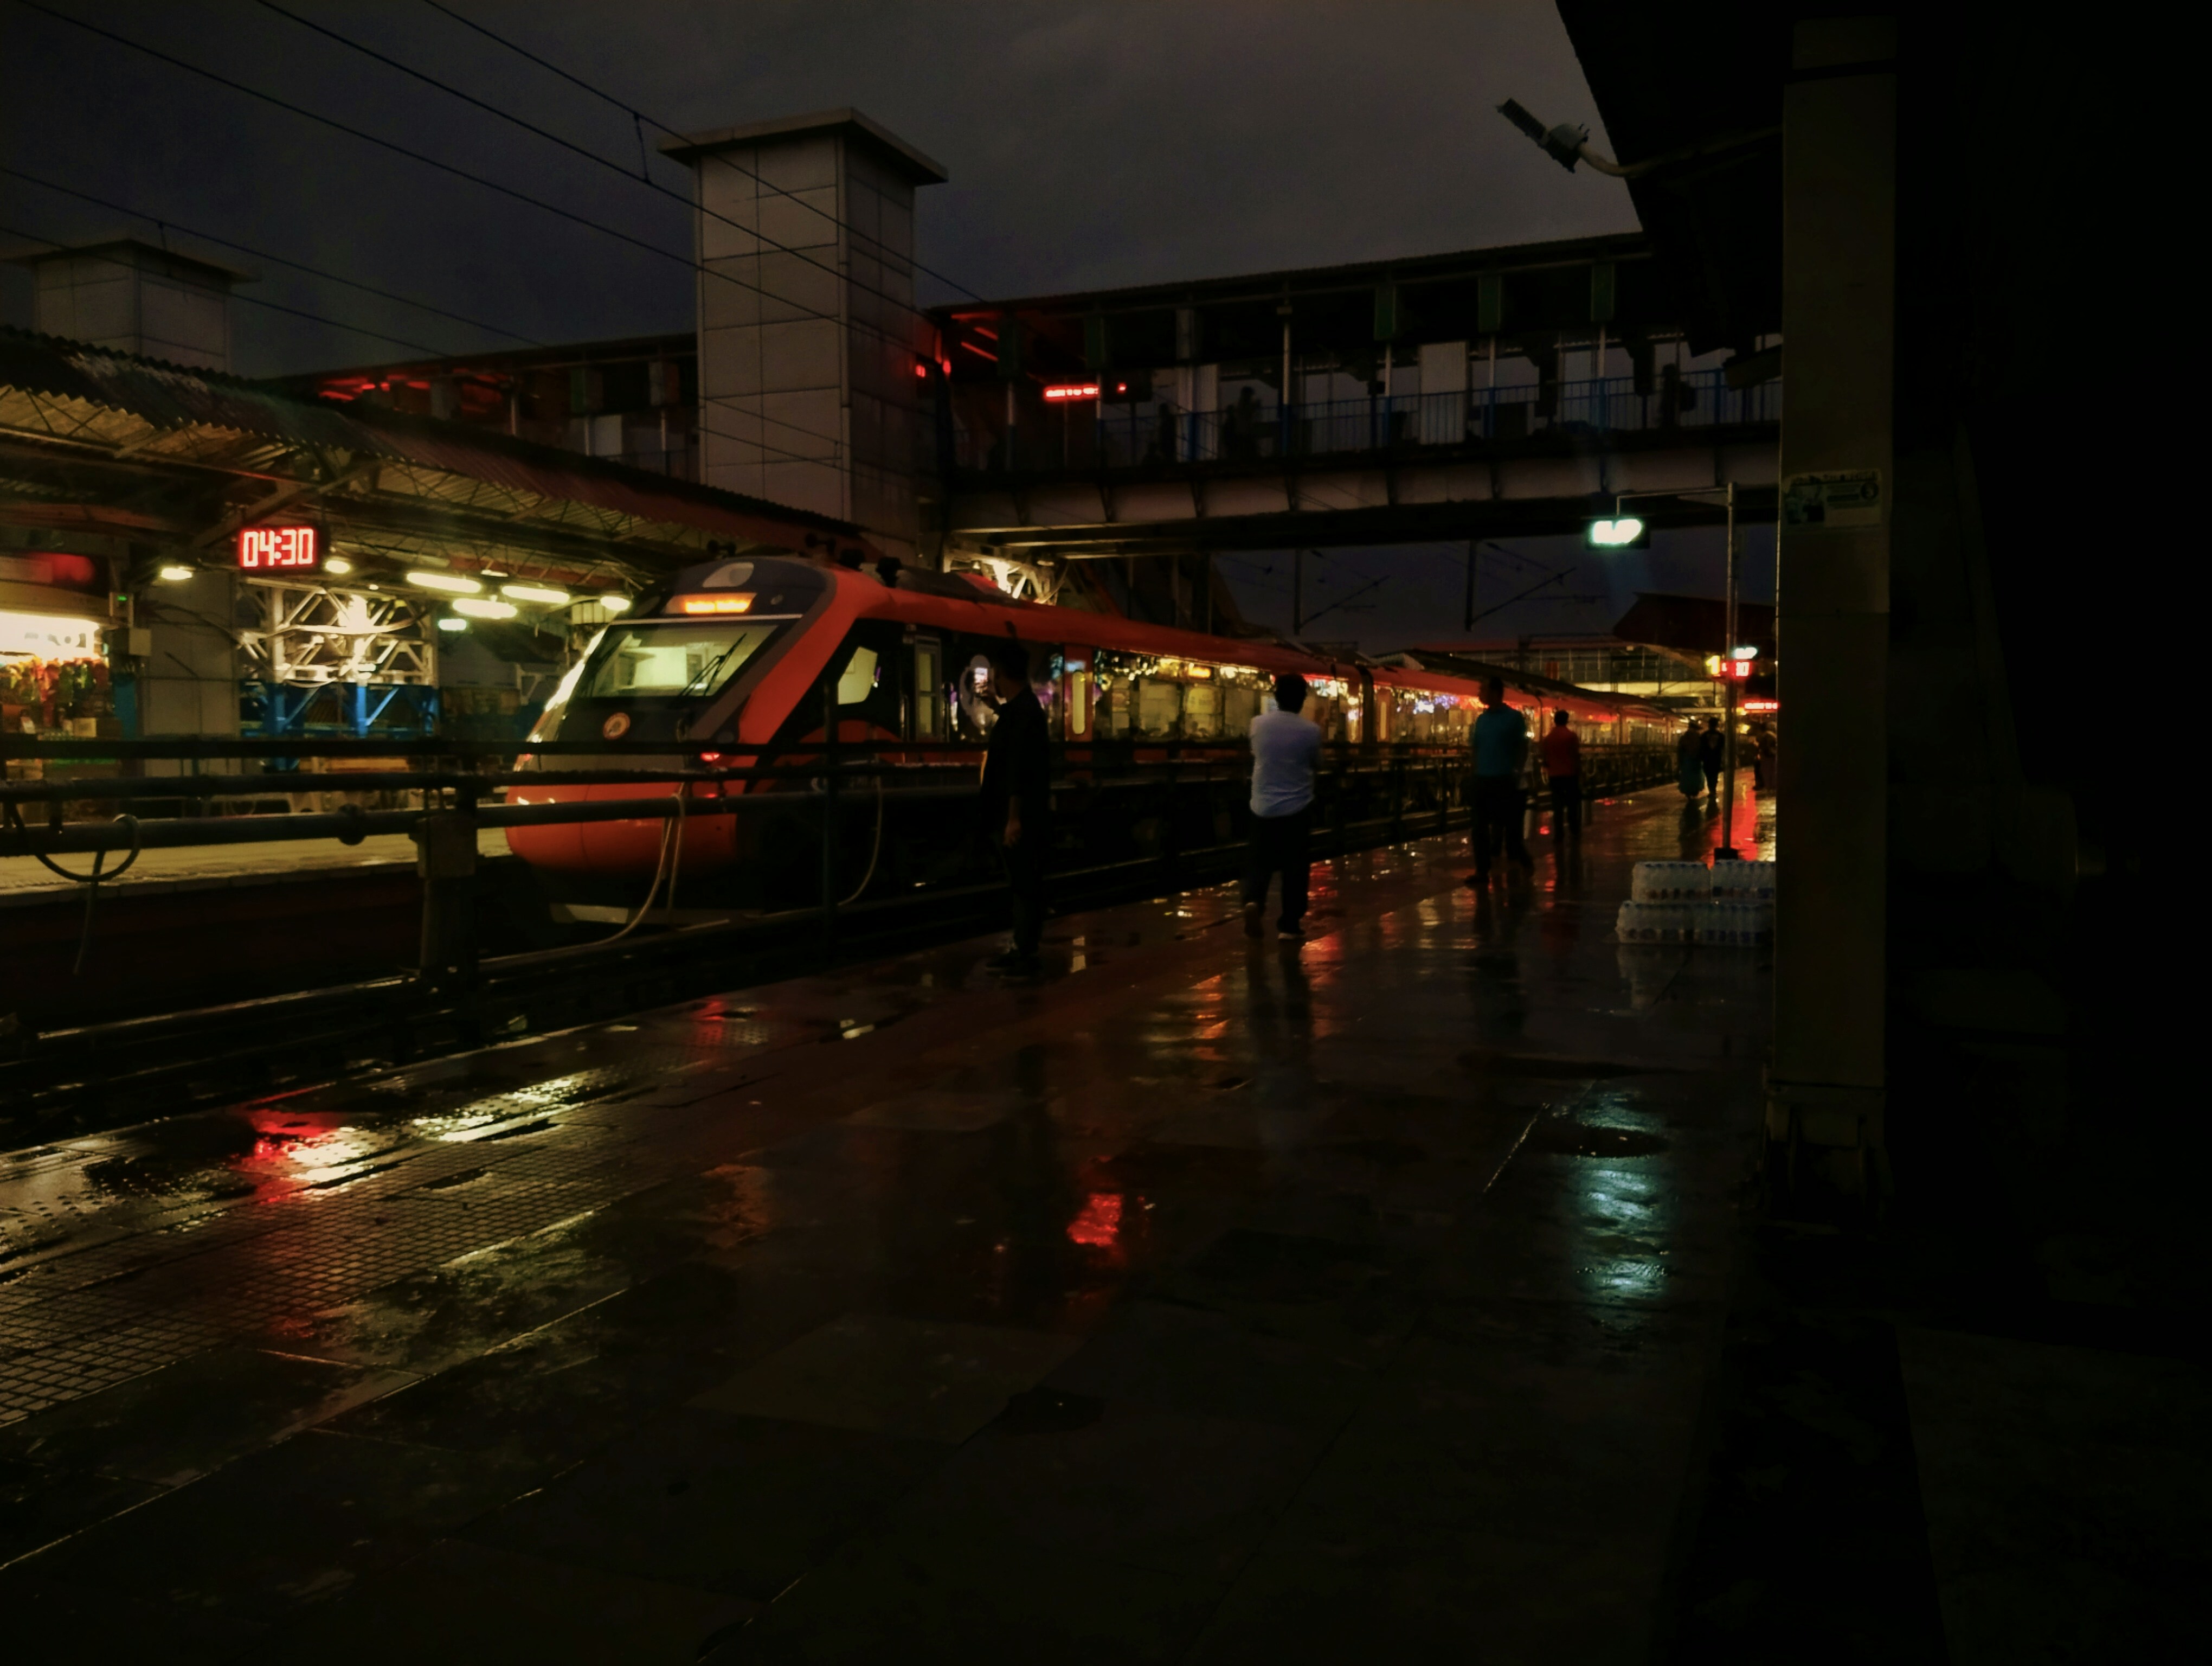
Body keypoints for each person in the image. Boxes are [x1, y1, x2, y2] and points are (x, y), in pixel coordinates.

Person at [980, 640, 1050, 976]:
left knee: (1022, 881)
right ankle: (1024, 945)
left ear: (1002, 673)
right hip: (1022, 811)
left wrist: (1013, 818)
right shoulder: (1025, 709)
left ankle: (1024, 948)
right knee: (1023, 880)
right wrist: (997, 708)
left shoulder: (1025, 713)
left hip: (1019, 814)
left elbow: (1018, 769)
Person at [1243, 672, 1323, 940]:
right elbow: (1316, 764)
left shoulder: (1257, 724)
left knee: (1259, 861)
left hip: (1261, 806)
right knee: (1295, 867)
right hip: (1297, 808)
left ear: (1275, 698)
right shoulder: (1311, 731)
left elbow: (1256, 754)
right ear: (1302, 700)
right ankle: (1289, 925)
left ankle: (1253, 900)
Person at [1467, 677, 1533, 885]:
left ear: (1496, 693)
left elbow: (1523, 747)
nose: (1479, 694)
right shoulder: (1481, 719)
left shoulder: (1514, 718)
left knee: (1509, 828)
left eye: (1483, 690)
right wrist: (1474, 771)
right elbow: (1475, 748)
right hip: (1483, 780)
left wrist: (1516, 771)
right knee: (1479, 828)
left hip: (1504, 779)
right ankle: (1482, 871)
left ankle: (1523, 860)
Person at [1539, 708, 1582, 840]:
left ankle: (1559, 833)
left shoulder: (1548, 738)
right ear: (1567, 720)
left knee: (1557, 805)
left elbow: (1544, 757)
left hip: (1554, 775)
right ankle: (1574, 830)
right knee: (1572, 804)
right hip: (1570, 774)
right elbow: (1575, 756)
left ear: (1555, 720)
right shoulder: (1571, 736)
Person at [1697, 717, 1726, 799]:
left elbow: (1701, 747)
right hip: (1717, 758)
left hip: (1707, 758)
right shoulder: (1721, 736)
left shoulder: (1704, 735)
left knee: (1709, 775)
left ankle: (1711, 790)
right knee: (1715, 774)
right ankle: (1713, 789)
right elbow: (1723, 747)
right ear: (1717, 725)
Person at [1676, 723, 1703, 801]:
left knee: (1687, 776)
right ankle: (1694, 791)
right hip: (1696, 761)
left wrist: (1680, 761)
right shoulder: (1698, 738)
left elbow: (1680, 750)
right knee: (1695, 777)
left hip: (1687, 760)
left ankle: (1688, 792)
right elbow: (1701, 749)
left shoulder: (1684, 738)